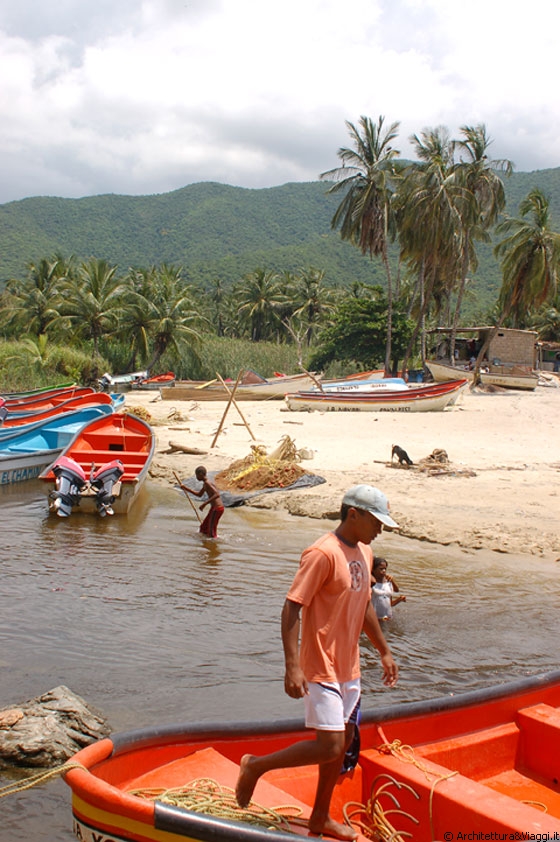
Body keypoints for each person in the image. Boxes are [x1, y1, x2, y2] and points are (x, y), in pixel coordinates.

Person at [235, 484, 399, 841]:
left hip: (349, 666)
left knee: (342, 745)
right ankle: (254, 766)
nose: (380, 529)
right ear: (353, 514)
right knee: (330, 745)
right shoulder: (322, 553)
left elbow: (366, 605)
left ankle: (319, 818)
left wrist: (383, 650)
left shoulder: (366, 553)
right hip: (320, 663)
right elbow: (293, 605)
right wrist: (291, 665)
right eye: (376, 521)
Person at [181, 466, 224, 538]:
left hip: (217, 508)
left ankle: (213, 544)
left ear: (201, 474)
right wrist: (186, 488)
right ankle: (205, 544)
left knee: (211, 532)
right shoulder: (205, 484)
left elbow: (217, 494)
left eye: (197, 475)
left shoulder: (207, 483)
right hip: (214, 508)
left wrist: (204, 503)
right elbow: (199, 495)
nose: (196, 477)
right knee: (203, 528)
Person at [371, 557, 406, 621]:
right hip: (375, 619)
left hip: (387, 618)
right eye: (381, 569)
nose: (384, 571)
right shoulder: (370, 583)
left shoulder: (388, 582)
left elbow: (390, 604)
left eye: (385, 569)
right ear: (373, 570)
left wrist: (399, 600)